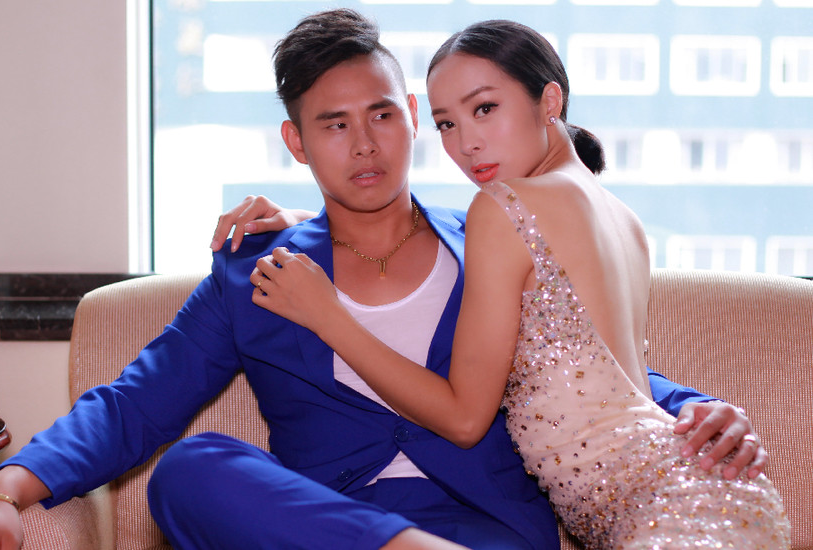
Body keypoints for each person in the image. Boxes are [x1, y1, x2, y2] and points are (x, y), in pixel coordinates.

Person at [0, 10, 766, 550]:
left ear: (411, 115)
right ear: (296, 142)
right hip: (326, 528)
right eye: (334, 125)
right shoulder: (256, 269)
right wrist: (1, 492)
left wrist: (692, 409)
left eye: (381, 114)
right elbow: (134, 403)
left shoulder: (491, 236)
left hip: (484, 525)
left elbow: (575, 353)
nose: (366, 144)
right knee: (189, 469)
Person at [244, 19, 790, 549]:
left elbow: (464, 419)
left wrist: (329, 315)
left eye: (485, 108)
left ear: (549, 101)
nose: (467, 143)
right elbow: (599, 371)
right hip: (712, 495)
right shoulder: (625, 221)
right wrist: (313, 225)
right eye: (447, 124)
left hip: (676, 515)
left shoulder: (503, 208)